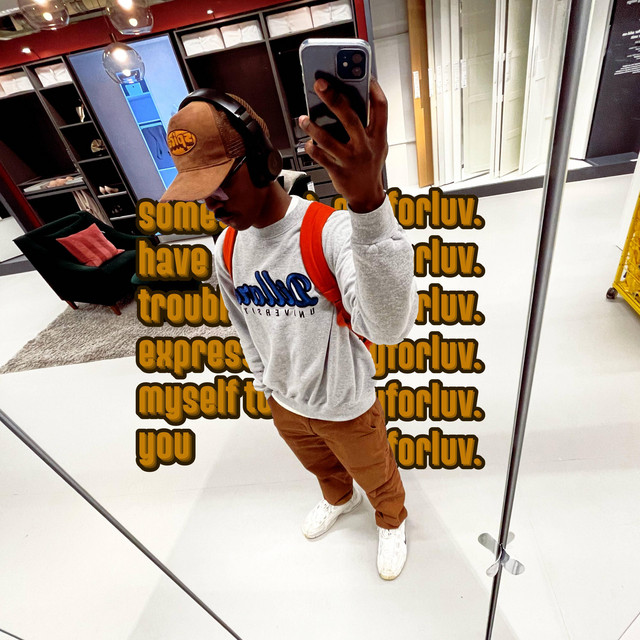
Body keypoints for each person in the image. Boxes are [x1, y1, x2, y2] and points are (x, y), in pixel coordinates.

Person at [160, 78, 418, 580]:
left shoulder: (329, 230)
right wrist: (266, 383)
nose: (212, 203)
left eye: (220, 185)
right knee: (322, 468)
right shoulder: (226, 247)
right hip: (285, 403)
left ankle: (391, 520)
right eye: (201, 193)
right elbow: (243, 323)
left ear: (262, 162)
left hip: (345, 403)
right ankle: (339, 499)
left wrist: (369, 208)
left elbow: (389, 328)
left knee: (376, 472)